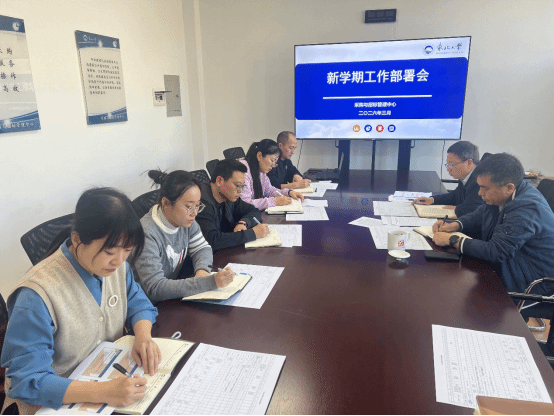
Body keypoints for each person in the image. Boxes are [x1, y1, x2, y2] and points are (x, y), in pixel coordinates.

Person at [1, 188, 160, 414]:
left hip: (103, 377)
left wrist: (143, 336)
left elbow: (137, 301)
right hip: (48, 405)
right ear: (77, 239)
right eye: (110, 251)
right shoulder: (35, 295)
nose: (119, 260)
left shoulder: (116, 267)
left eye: (127, 249)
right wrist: (104, 392)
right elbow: (28, 380)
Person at [432, 153, 554, 295]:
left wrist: (453, 240)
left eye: (485, 188)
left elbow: (496, 251)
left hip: (531, 283)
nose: (480, 193)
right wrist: (455, 224)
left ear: (509, 188)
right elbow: (480, 214)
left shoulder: (527, 208)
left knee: (451, 290)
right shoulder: (506, 194)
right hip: (511, 265)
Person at [132, 170, 235, 303]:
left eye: (198, 205)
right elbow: (155, 288)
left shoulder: (186, 220)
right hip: (148, 305)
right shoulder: (146, 233)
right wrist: (208, 282)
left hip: (171, 298)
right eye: (189, 206)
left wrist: (202, 270)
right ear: (166, 203)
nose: (195, 213)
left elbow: (202, 248)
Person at [196, 159, 270, 252]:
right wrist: (253, 233)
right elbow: (212, 240)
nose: (240, 191)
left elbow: (253, 210)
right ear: (219, 181)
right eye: (238, 185)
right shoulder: (201, 202)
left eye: (242, 186)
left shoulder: (228, 196)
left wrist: (243, 223)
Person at [413, 141, 485, 217]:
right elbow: (455, 195)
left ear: (469, 163)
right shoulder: (465, 176)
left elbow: (473, 209)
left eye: (452, 164)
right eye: (448, 164)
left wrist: (455, 208)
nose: (448, 169)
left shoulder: (480, 181)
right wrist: (432, 200)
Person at [239, 139, 304, 210]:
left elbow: (269, 190)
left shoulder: (260, 171)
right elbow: (245, 203)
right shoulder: (242, 170)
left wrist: (288, 193)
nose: (273, 165)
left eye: (275, 162)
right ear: (259, 156)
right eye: (272, 160)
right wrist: (274, 201)